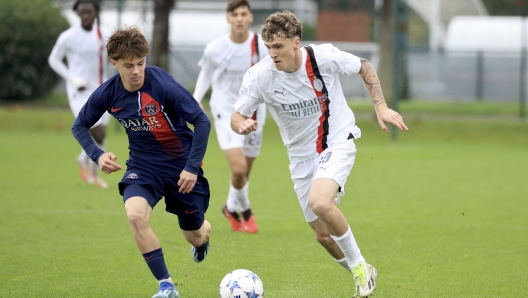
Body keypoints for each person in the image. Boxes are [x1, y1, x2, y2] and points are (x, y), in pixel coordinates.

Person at [231, 11, 409, 297]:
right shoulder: (260, 76)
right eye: (268, 47)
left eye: (278, 46)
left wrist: (380, 106)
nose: (273, 53)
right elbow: (236, 115)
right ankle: (362, 269)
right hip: (300, 157)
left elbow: (364, 66)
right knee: (322, 235)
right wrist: (242, 125)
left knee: (320, 202)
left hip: (336, 140)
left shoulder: (322, 57)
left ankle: (360, 270)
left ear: (296, 42)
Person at [72, 27, 212, 298]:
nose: (137, 71)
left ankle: (203, 238)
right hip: (143, 166)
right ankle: (166, 286)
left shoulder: (162, 84)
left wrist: (192, 168)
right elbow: (80, 125)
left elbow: (202, 122)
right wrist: (97, 155)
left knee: (195, 234)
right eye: (129, 65)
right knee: (135, 215)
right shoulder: (108, 92)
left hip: (181, 168)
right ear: (114, 63)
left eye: (141, 63)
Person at [193, 0, 268, 234]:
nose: (238, 18)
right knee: (238, 170)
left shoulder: (261, 46)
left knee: (245, 170)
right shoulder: (216, 48)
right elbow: (205, 74)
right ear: (228, 18)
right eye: (234, 14)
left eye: (243, 14)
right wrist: (196, 100)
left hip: (255, 112)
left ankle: (230, 206)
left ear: (250, 17)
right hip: (225, 112)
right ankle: (245, 210)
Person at [49, 0, 111, 188]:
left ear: (95, 12)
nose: (85, 15)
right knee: (98, 135)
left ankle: (89, 168)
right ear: (77, 13)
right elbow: (54, 60)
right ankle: (90, 166)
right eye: (82, 12)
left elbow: (112, 57)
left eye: (89, 12)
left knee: (101, 136)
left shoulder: (103, 34)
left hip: (101, 90)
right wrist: (72, 78)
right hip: (79, 93)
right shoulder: (68, 37)